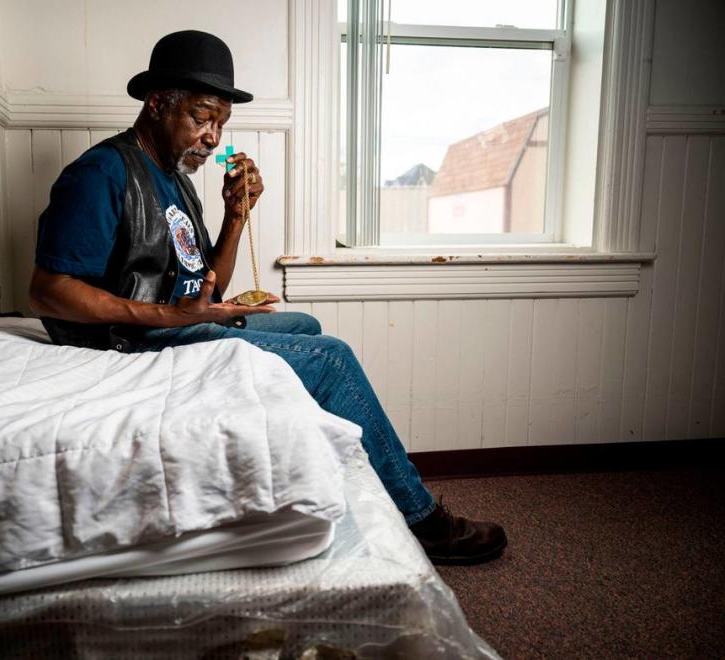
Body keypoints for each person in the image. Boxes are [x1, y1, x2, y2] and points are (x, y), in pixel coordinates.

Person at [30, 30, 506, 565]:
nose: (212, 137)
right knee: (332, 360)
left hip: (172, 324)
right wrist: (168, 314)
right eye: (202, 117)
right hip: (129, 343)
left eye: (220, 125)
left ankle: (303, 463)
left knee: (305, 326)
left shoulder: (176, 177)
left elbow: (208, 284)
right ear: (158, 103)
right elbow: (48, 293)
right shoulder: (102, 173)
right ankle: (425, 521)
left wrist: (236, 216)